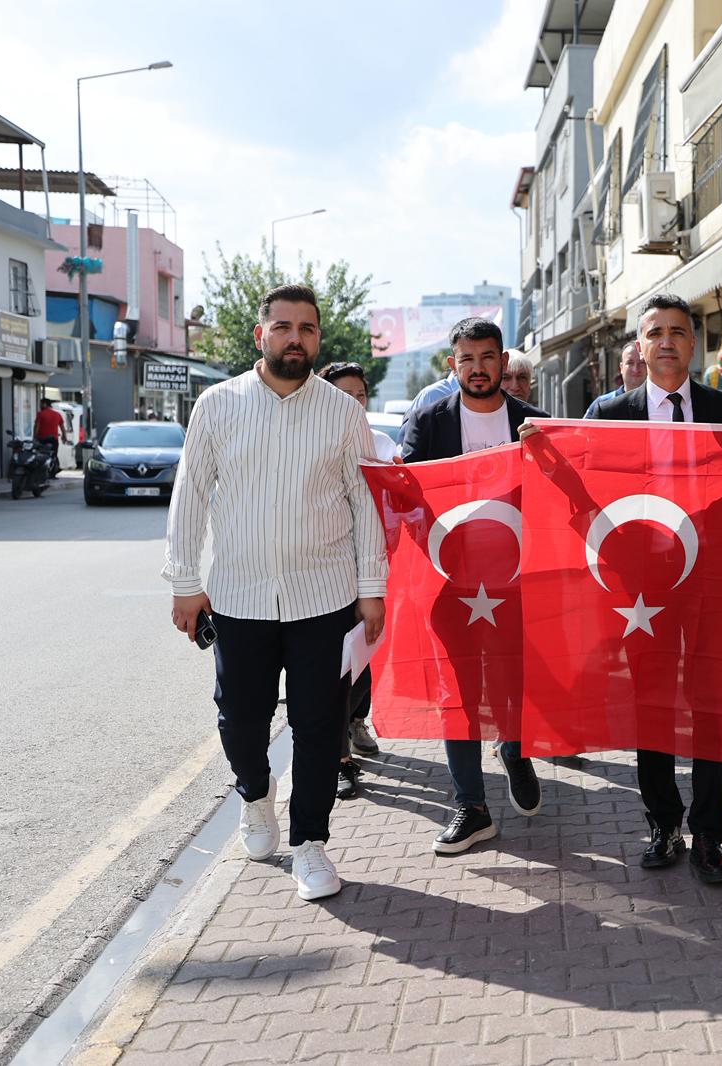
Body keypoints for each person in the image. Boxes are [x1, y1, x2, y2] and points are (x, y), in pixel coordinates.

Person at [537, 292, 722, 885]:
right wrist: (546, 455)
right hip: (642, 592)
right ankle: (663, 823)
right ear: (639, 346)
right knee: (653, 708)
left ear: (694, 344)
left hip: (715, 584)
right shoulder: (610, 415)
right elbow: (582, 498)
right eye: (655, 332)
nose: (666, 340)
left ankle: (710, 838)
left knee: (713, 710)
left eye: (677, 330)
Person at [165, 284, 387, 903]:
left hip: (326, 598)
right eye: (284, 327)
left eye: (307, 329)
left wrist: (372, 588)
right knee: (241, 718)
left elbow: (364, 503)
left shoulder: (342, 413)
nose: (296, 338)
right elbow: (188, 498)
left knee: (320, 724)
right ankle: (254, 798)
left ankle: (311, 844)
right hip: (240, 598)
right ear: (260, 335)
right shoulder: (217, 405)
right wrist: (185, 583)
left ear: (318, 337)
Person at [400, 317, 549, 856]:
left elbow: (564, 498)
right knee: (456, 694)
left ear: (503, 361)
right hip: (451, 582)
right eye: (467, 358)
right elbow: (408, 493)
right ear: (452, 364)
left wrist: (550, 455)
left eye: (487, 357)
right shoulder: (429, 420)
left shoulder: (534, 423)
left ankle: (515, 748)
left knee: (514, 685)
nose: (478, 368)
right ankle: (472, 807)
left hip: (518, 583)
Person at [317, 362, 392, 801]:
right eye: (344, 394)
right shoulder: (312, 443)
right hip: (324, 577)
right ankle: (340, 759)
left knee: (363, 662)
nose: (354, 403)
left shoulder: (381, 444)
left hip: (371, 576)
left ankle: (353, 720)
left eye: (360, 395)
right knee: (332, 673)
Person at [584, 340, 648, 417]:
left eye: (642, 362)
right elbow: (583, 429)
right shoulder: (602, 404)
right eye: (630, 363)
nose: (636, 369)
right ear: (621, 368)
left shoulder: (659, 402)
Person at [34, 398, 69, 477]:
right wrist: (64, 437)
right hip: (54, 439)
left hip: (42, 439)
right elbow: (62, 427)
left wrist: (34, 437)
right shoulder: (57, 414)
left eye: (41, 404)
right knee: (53, 455)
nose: (40, 406)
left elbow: (36, 426)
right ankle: (53, 474)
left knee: (40, 455)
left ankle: (40, 473)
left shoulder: (40, 414)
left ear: (45, 404)